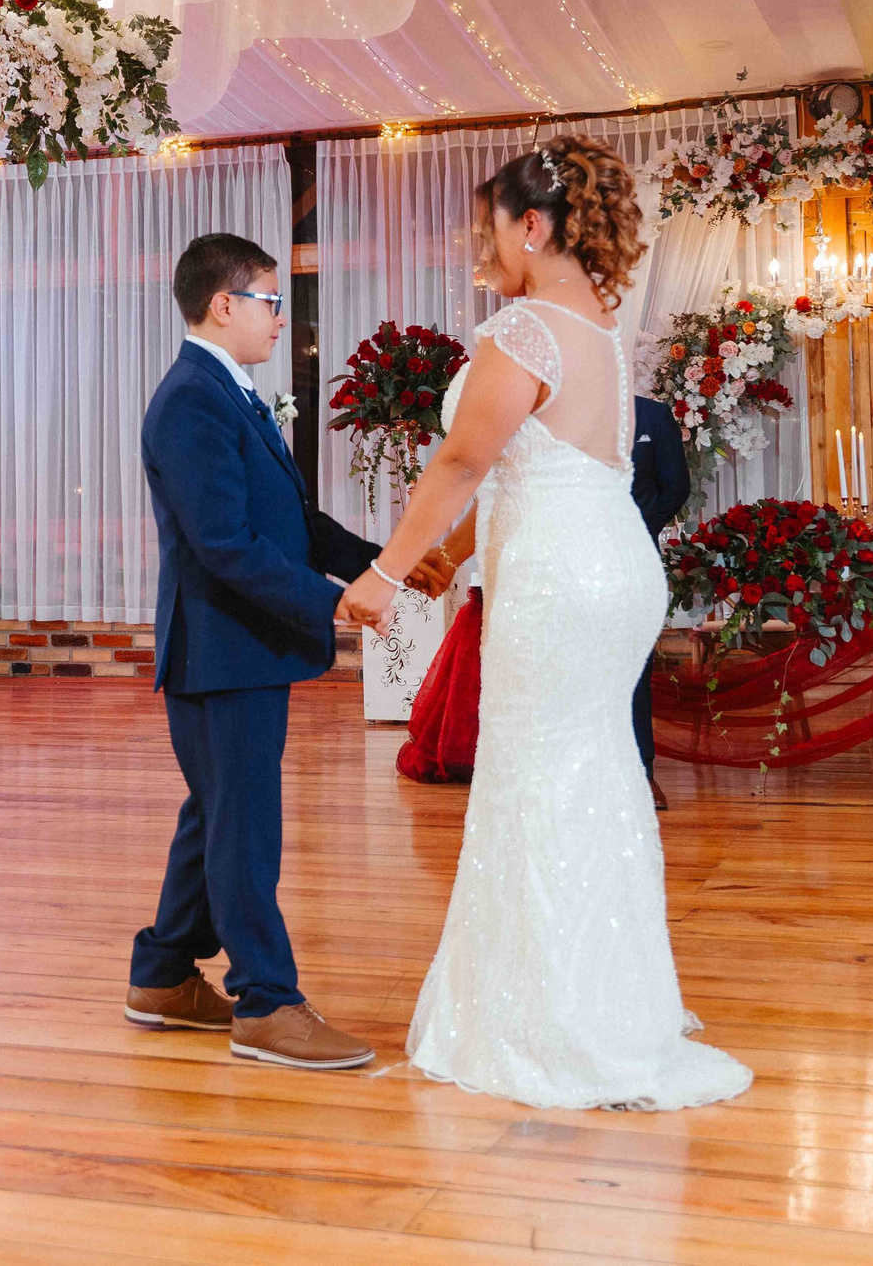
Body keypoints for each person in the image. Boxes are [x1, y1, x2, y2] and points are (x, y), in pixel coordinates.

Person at [338, 137, 752, 1111]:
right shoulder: (600, 328)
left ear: (533, 225)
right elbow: (543, 464)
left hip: (559, 580)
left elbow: (463, 461)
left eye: (490, 224)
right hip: (613, 565)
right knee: (595, 773)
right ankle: (612, 1003)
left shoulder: (520, 330)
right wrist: (451, 557)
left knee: (532, 777)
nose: (481, 243)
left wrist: (384, 573)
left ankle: (550, 1020)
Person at [127, 233, 451, 1071]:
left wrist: (389, 562)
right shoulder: (191, 400)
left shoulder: (228, 392)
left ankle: (162, 976)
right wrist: (338, 600)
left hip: (241, 651)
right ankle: (267, 1003)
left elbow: (295, 525)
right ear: (223, 304)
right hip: (220, 652)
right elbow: (226, 544)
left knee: (218, 815)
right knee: (245, 829)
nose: (282, 319)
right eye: (271, 301)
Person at [628, 392, 690, 808]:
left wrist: (635, 526)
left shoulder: (651, 414)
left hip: (635, 555)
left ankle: (641, 774)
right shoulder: (561, 408)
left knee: (635, 666)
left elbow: (676, 486)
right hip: (571, 556)